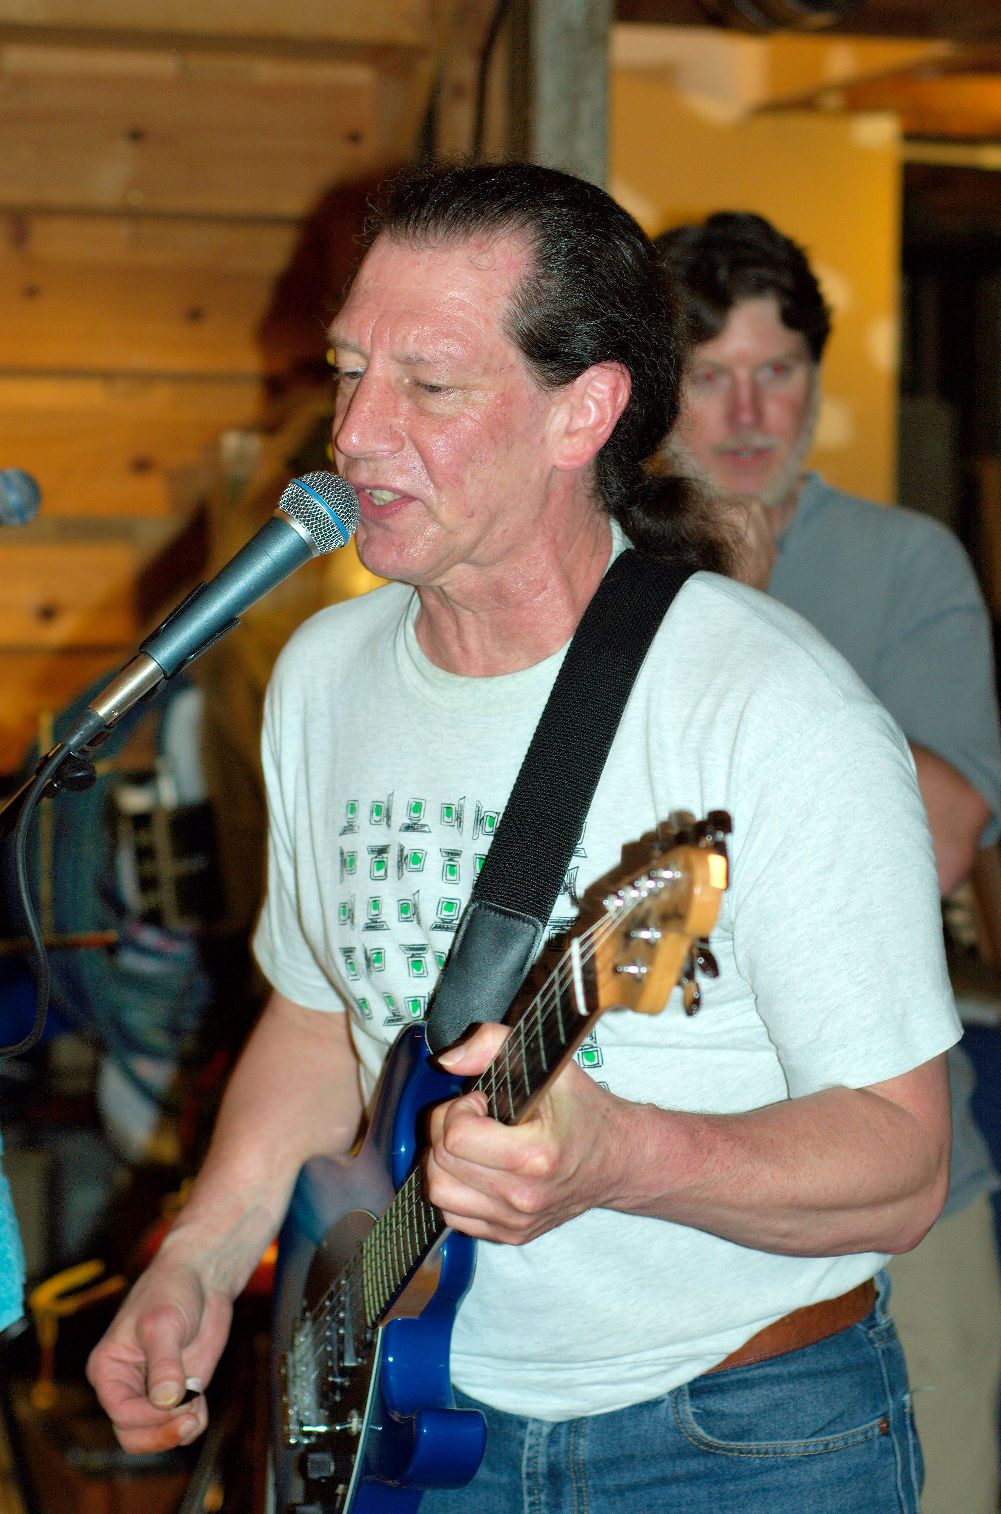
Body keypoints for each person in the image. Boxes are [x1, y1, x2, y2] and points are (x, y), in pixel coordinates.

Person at [87, 162, 960, 1514]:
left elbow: (903, 1165)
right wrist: (198, 1253)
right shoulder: (321, 676)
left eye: (428, 386)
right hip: (417, 1414)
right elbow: (322, 1017)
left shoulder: (771, 707)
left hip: (737, 1432)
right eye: (348, 371)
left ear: (583, 411)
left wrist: (628, 1155)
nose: (355, 434)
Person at [656, 208, 1001, 1514]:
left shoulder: (905, 560)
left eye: (779, 369)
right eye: (710, 374)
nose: (750, 413)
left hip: (903, 1176)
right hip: (659, 1178)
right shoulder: (594, 572)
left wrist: (741, 623)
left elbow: (942, 837)